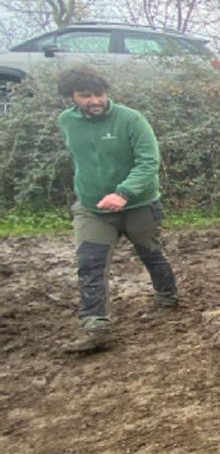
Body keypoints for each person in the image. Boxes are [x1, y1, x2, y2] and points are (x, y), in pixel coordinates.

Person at [57, 67, 179, 353]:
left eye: (98, 94)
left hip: (138, 204)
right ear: (71, 97)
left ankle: (167, 295)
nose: (94, 100)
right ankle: (95, 325)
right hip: (92, 208)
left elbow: (148, 162)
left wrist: (124, 192)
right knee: (90, 262)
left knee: (150, 252)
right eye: (85, 96)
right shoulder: (66, 122)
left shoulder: (130, 119)